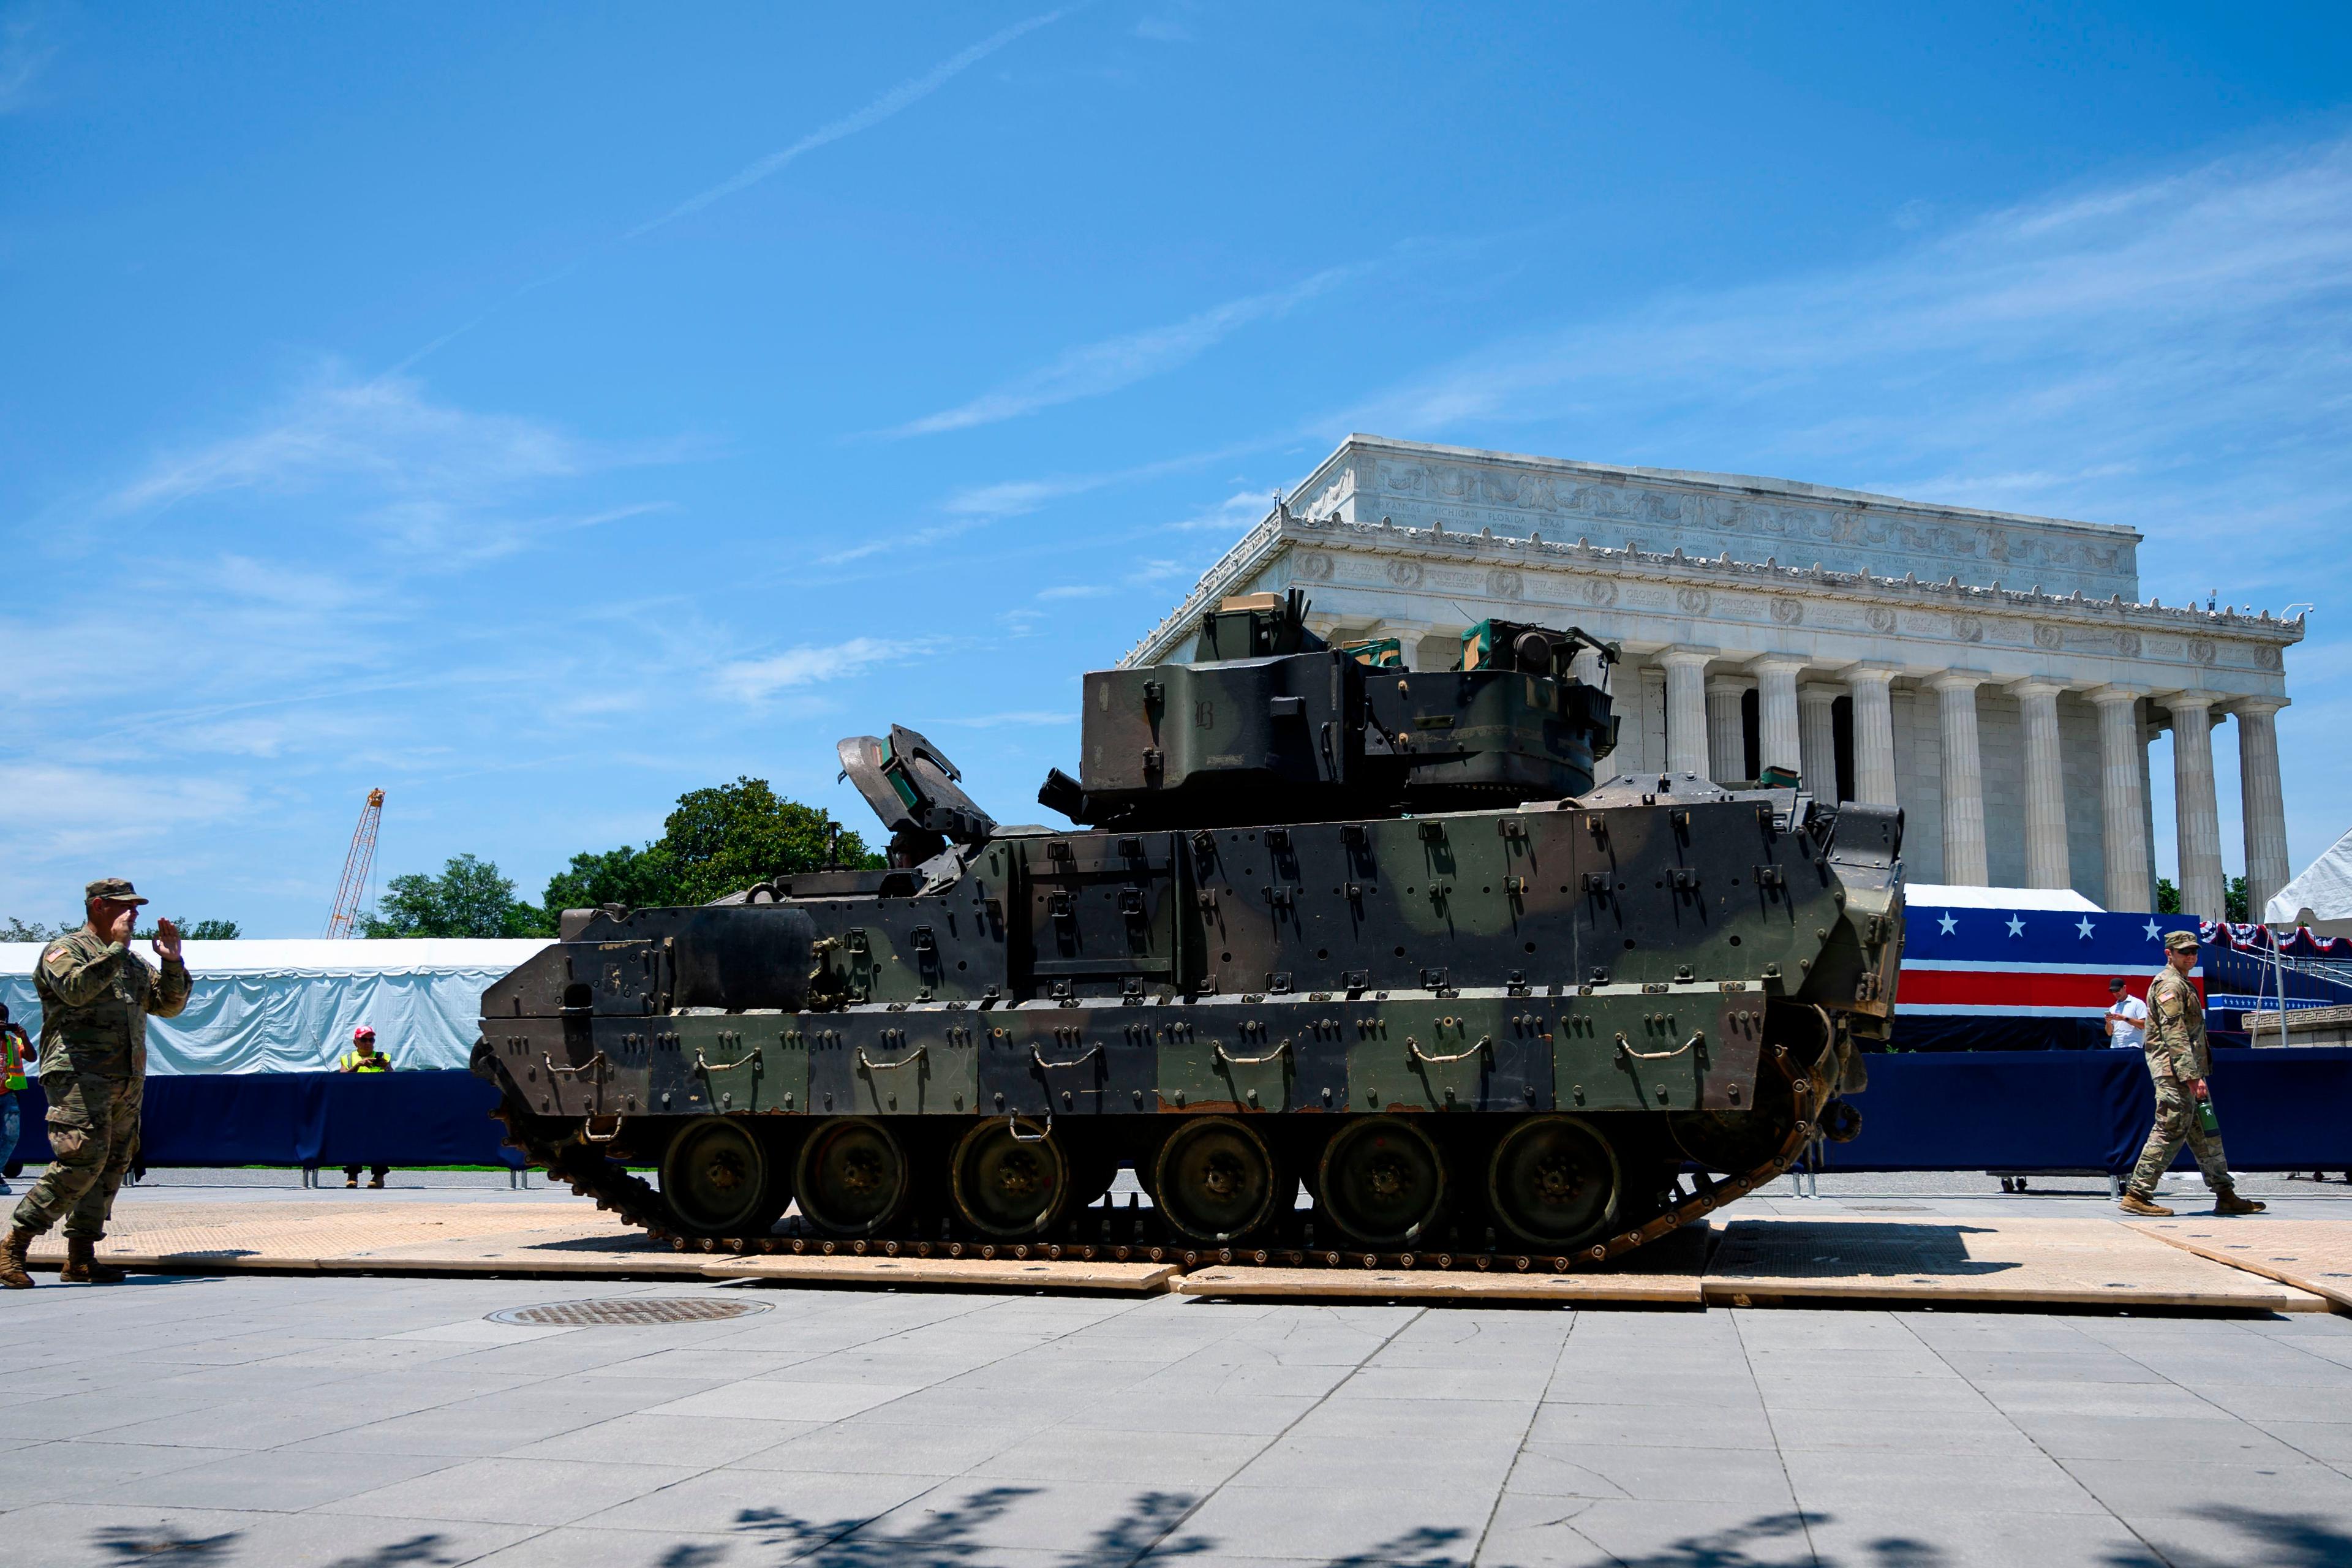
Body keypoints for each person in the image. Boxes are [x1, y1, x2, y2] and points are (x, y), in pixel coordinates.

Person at [0, 879, 189, 1289]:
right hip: (78, 1076)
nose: (134, 914)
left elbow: (169, 1006)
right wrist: (116, 949)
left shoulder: (135, 963)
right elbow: (75, 990)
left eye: (136, 907)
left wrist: (173, 963)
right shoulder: (64, 951)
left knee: (111, 1164)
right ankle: (14, 1244)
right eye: (125, 907)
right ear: (99, 906)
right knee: (80, 1159)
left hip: (125, 1079)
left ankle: (81, 1257)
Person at [2119, 930, 2266, 1218]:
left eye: (2194, 951)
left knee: (2206, 1133)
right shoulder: (2169, 985)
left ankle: (2225, 1194)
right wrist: (2192, 1077)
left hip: (2187, 1072)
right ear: (2169, 954)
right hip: (2175, 1072)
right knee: (2170, 1128)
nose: (2190, 956)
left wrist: (2196, 1074)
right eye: (2183, 951)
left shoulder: (2182, 983)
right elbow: (2175, 1035)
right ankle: (2137, 1193)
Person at [336, 1025, 392, 1188]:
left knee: (379, 1141)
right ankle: (352, 1176)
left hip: (378, 1104)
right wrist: (358, 1066)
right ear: (356, 1042)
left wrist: (386, 1067)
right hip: (354, 1105)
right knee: (353, 1140)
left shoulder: (383, 1057)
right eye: (364, 1040)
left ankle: (378, 1176)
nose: (368, 1043)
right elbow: (341, 1078)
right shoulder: (348, 1059)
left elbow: (395, 1078)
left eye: (371, 1040)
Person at [0, 1003, 33, 1194]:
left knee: (11, 1135)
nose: (1, 1023)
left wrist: (25, 1038)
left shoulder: (13, 1041)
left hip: (8, 1095)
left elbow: (32, 1057)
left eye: (3, 1019)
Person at [2103, 978, 2149, 1051]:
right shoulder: (2113, 1008)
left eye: (2118, 990)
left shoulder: (2138, 1003)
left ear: (2124, 988)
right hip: (2115, 1046)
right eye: (2113, 991)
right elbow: (2109, 1033)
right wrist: (2108, 1022)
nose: (2116, 993)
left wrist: (2124, 1019)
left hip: (2133, 1044)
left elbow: (2144, 1025)